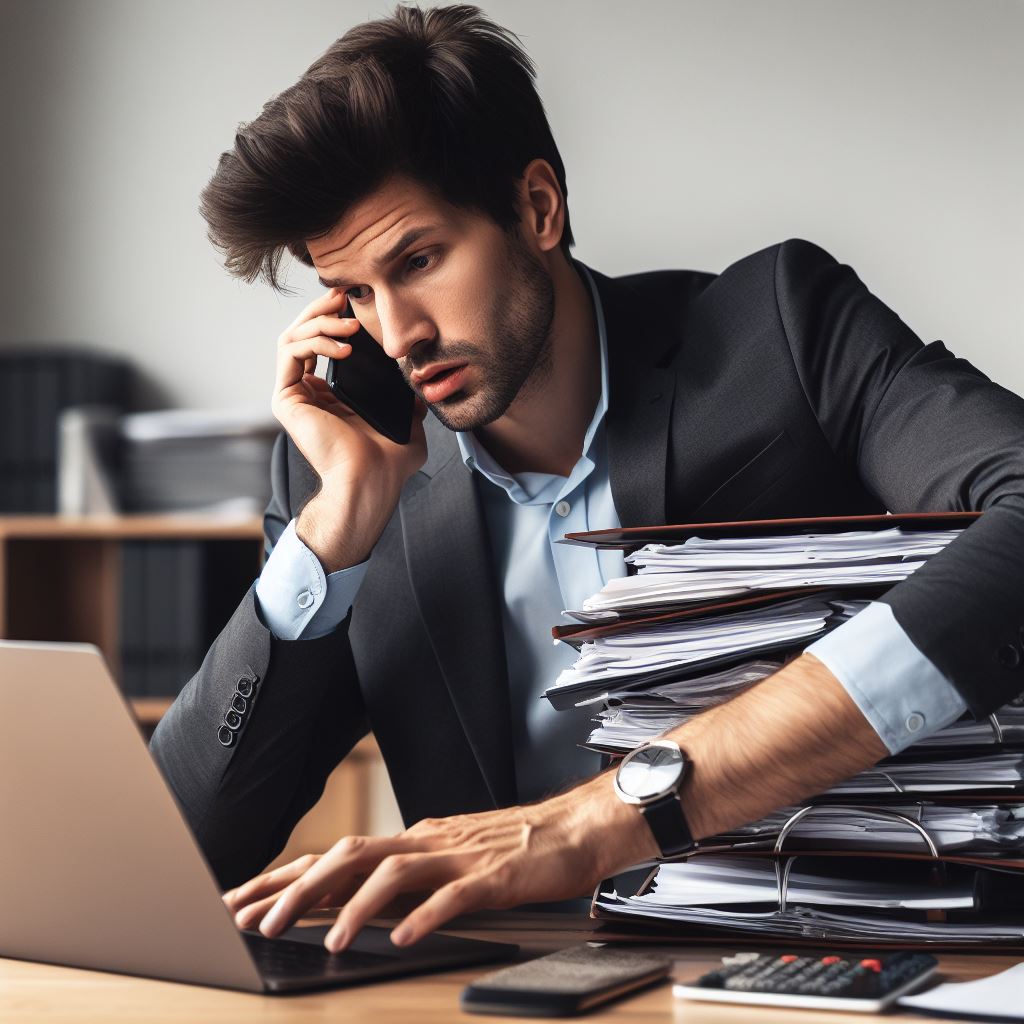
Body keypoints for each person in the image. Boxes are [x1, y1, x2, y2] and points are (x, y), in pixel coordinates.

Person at [150, 4, 1024, 954]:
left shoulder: (781, 334)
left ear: (537, 208)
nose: (397, 335)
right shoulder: (344, 473)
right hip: (506, 999)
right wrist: (338, 525)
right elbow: (177, 858)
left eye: (420, 260)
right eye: (356, 292)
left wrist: (598, 819)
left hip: (816, 971)